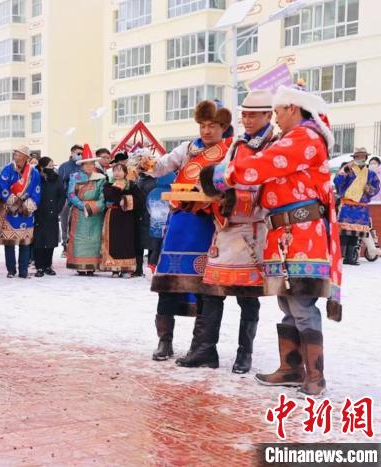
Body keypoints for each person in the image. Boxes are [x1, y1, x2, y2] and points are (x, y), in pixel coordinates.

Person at [202, 84, 343, 396]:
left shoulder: (305, 138)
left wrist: (221, 175)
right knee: (288, 302)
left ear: (292, 108)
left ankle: (315, 376)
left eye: (277, 111)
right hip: (285, 233)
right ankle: (291, 368)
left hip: (302, 233)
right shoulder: (294, 137)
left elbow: (264, 164)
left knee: (301, 303)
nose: (276, 118)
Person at [177, 89, 275, 373]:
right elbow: (221, 176)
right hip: (225, 225)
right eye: (244, 114)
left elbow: (267, 184)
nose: (248, 119)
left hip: (252, 228)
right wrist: (211, 186)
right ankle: (206, 350)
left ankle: (245, 354)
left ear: (269, 115)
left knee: (248, 295)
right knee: (211, 291)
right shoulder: (238, 144)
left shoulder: (273, 144)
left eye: (253, 115)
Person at [145, 100, 232, 362]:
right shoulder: (187, 148)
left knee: (204, 286)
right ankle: (164, 341)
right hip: (180, 222)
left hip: (207, 224)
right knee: (167, 284)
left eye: (213, 126)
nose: (207, 131)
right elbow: (162, 167)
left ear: (223, 127)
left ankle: (199, 344)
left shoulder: (230, 152)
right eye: (203, 125)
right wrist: (147, 164)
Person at [0, 145, 41, 278]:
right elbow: (3, 188)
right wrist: (15, 202)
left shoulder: (34, 173)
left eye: (19, 154)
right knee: (9, 243)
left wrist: (26, 206)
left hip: (25, 211)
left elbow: (37, 191)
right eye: (15, 154)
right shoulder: (8, 169)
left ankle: (23, 270)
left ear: (26, 157)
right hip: (10, 211)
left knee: (25, 243)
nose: (16, 156)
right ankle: (11, 270)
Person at [334, 148, 380, 265]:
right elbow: (337, 182)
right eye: (357, 157)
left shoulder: (371, 174)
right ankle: (339, 257)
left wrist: (370, 189)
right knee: (344, 233)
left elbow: (377, 187)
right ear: (354, 158)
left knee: (356, 234)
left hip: (361, 207)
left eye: (362, 157)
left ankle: (350, 258)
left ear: (366, 158)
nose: (360, 159)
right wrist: (344, 171)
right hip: (347, 205)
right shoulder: (347, 170)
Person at [66, 144, 106, 275]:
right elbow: (71, 194)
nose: (89, 166)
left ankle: (92, 265)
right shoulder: (75, 177)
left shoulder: (100, 178)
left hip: (95, 215)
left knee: (94, 239)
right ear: (81, 166)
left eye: (91, 164)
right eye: (86, 164)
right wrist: (82, 206)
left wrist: (94, 207)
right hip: (79, 213)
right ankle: (79, 265)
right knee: (79, 239)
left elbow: (103, 197)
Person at [99, 163, 142, 276]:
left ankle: (127, 268)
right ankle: (115, 267)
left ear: (125, 172)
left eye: (120, 170)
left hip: (127, 216)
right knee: (113, 240)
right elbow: (109, 196)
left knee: (127, 240)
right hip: (113, 214)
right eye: (115, 170)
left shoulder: (131, 185)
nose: (117, 173)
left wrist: (126, 200)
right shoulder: (108, 185)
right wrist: (118, 190)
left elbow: (139, 199)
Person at [33, 157, 66, 277]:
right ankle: (39, 266)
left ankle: (48, 265)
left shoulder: (57, 178)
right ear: (42, 167)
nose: (51, 168)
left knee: (50, 241)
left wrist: (57, 209)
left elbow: (62, 195)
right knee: (39, 242)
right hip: (38, 213)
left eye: (53, 166)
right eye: (49, 166)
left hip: (52, 214)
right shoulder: (36, 178)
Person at [146, 172, 175, 274]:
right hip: (168, 227)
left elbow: (148, 207)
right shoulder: (173, 193)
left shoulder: (152, 192)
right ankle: (165, 269)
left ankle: (151, 267)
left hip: (154, 227)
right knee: (166, 249)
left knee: (155, 249)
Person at [57, 145, 83, 256]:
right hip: (67, 199)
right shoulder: (64, 166)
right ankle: (65, 246)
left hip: (82, 199)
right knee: (65, 223)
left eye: (81, 153)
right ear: (72, 153)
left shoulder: (84, 165)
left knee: (79, 223)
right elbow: (59, 182)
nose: (80, 156)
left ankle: (78, 246)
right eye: (78, 153)